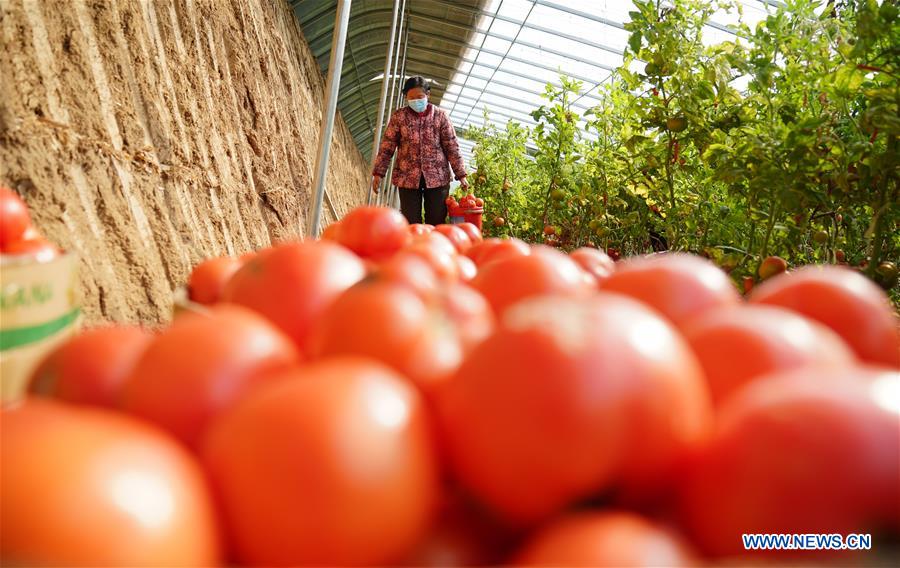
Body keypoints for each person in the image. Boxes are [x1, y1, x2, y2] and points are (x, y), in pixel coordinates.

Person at [372, 76, 469, 225]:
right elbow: (387, 145)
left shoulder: (440, 116)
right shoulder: (399, 117)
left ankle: (434, 247)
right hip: (407, 177)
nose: (416, 101)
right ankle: (414, 247)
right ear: (406, 97)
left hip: (437, 178)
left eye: (420, 97)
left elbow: (452, 146)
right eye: (411, 98)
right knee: (411, 222)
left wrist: (461, 174)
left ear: (428, 95)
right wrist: (379, 172)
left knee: (436, 220)